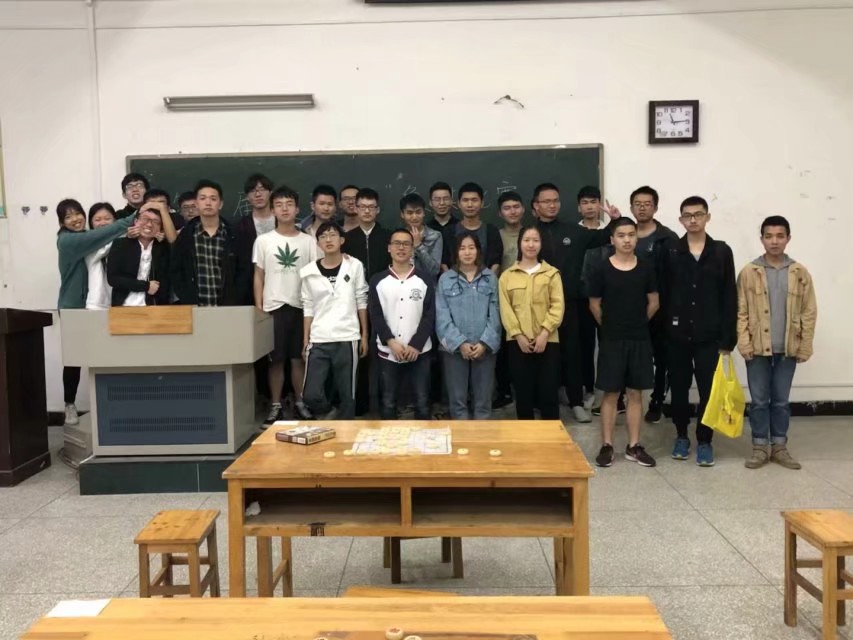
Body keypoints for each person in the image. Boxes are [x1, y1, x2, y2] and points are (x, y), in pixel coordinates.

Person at [660, 195, 737, 467]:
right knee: (679, 389)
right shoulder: (670, 251)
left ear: (707, 217)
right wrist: (664, 332)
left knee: (708, 391)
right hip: (677, 335)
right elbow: (663, 293)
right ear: (681, 219)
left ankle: (705, 440)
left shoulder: (721, 251)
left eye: (698, 214)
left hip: (709, 335)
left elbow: (729, 295)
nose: (693, 220)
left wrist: (728, 337)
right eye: (688, 215)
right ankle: (681, 436)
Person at [532, 183, 619, 423]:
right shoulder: (530, 233)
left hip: (569, 303)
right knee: (542, 354)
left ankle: (576, 402)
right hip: (539, 306)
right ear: (536, 205)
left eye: (555, 200)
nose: (552, 205)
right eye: (546, 201)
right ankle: (543, 402)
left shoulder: (573, 230)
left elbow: (602, 237)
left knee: (573, 353)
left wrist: (614, 220)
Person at [737, 216, 817, 470]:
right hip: (757, 347)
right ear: (761, 239)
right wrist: (744, 342)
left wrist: (805, 344)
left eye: (780, 236)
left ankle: (780, 447)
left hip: (788, 347)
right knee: (759, 400)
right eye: (769, 236)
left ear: (788, 239)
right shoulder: (749, 272)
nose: (774, 241)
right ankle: (760, 447)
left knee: (781, 400)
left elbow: (809, 311)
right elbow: (740, 311)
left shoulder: (799, 272)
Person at [56, 198, 137, 425]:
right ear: (62, 223)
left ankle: (113, 406)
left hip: (110, 306)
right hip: (75, 307)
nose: (75, 219)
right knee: (74, 358)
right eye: (68, 216)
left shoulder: (109, 241)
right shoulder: (70, 241)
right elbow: (102, 236)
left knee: (109, 355)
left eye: (77, 213)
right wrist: (129, 221)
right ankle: (69, 404)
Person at [587, 218, 659, 468]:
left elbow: (654, 302)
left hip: (639, 338)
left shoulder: (646, 267)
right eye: (621, 235)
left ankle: (634, 445)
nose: (627, 240)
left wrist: (638, 323)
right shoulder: (601, 268)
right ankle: (607, 445)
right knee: (611, 393)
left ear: (636, 238)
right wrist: (609, 327)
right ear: (612, 239)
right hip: (612, 339)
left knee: (635, 393)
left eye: (631, 235)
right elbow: (594, 305)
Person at [253, 185, 318, 426]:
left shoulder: (308, 241)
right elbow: (258, 275)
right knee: (276, 360)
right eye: (279, 205)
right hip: (273, 307)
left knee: (299, 358)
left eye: (289, 204)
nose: (284, 209)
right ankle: (275, 405)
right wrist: (259, 307)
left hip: (301, 307)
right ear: (272, 210)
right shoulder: (263, 241)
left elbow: (315, 275)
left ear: (297, 209)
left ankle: (300, 402)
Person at [300, 222, 369, 419]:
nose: (328, 240)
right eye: (323, 236)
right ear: (318, 243)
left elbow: (361, 300)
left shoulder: (354, 266)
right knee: (310, 394)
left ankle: (347, 432)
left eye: (332, 235)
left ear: (342, 240)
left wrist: (364, 335)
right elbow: (308, 306)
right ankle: (329, 412)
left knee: (348, 395)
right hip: (319, 338)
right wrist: (306, 340)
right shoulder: (308, 272)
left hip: (347, 337)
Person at [369, 229, 436, 421]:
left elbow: (429, 315)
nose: (401, 248)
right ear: (389, 248)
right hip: (388, 350)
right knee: (388, 401)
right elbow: (375, 315)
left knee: (422, 401)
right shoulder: (378, 280)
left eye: (406, 244)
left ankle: (424, 438)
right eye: (396, 243)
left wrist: (416, 345)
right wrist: (391, 342)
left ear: (412, 248)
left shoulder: (424, 279)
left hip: (420, 351)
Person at [498, 225, 564, 420]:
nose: (531, 245)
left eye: (535, 240)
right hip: (518, 343)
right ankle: (526, 437)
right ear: (520, 243)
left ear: (542, 244)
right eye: (526, 240)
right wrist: (518, 335)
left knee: (549, 393)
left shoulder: (552, 274)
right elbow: (506, 309)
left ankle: (551, 436)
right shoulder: (507, 276)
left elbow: (557, 306)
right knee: (523, 394)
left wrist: (544, 333)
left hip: (548, 341)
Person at [628, 186, 679, 423]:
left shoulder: (667, 238)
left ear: (655, 208)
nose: (642, 208)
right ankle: (625, 399)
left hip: (660, 309)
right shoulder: (625, 234)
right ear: (631, 208)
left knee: (661, 358)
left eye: (647, 204)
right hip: (630, 308)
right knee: (629, 356)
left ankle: (657, 400)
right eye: (638, 204)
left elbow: (676, 277)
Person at [436, 232, 501, 419]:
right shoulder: (445, 279)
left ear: (478, 251)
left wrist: (484, 343)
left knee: (483, 403)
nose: (467, 252)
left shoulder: (490, 277)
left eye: (471, 248)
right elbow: (442, 315)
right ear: (456, 252)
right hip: (455, 350)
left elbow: (496, 313)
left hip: (484, 348)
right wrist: (460, 343)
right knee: (457, 403)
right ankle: (461, 436)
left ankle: (480, 437)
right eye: (462, 248)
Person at [171, 179, 251, 306]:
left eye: (213, 199)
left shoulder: (234, 235)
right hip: (194, 308)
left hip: (229, 308)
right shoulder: (186, 236)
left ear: (220, 204)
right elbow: (176, 272)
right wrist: (187, 299)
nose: (208, 203)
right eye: (203, 198)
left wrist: (234, 299)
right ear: (196, 203)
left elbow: (244, 272)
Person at [494, 191, 525, 409]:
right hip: (503, 299)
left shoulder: (532, 234)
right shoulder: (496, 236)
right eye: (507, 208)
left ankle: (527, 393)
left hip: (529, 299)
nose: (512, 211)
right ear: (500, 213)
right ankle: (504, 391)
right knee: (504, 348)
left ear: (523, 209)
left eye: (516, 206)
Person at [107, 207, 171, 306]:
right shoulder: (121, 244)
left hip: (154, 306)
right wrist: (145, 286)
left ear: (160, 228)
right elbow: (113, 279)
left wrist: (165, 239)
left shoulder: (164, 248)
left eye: (156, 222)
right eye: (145, 219)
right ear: (136, 221)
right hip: (124, 305)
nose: (149, 224)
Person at [440, 182, 502, 273]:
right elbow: (444, 263)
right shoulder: (449, 231)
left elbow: (496, 263)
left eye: (474, 200)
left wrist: (488, 280)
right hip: (454, 280)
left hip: (486, 280)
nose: (470, 205)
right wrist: (451, 280)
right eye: (465, 200)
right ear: (459, 204)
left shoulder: (491, 231)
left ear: (482, 203)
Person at [345, 187, 391, 281]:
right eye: (363, 207)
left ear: (377, 210)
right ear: (356, 209)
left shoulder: (389, 236)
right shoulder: (347, 238)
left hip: (384, 286)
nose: (367, 211)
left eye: (371, 207)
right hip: (355, 286)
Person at [400, 192, 442, 277]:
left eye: (418, 212)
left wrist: (419, 246)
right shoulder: (398, 237)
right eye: (410, 213)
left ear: (424, 213)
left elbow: (435, 271)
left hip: (427, 283)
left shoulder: (435, 236)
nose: (414, 217)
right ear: (402, 214)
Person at [84, 203, 117, 311]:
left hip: (120, 301)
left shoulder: (125, 240)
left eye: (107, 219)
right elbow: (103, 250)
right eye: (97, 220)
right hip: (96, 302)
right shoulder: (86, 242)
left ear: (115, 221)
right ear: (91, 223)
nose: (103, 223)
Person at [236, 173, 275, 243]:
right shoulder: (241, 227)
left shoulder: (283, 220)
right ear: (247, 197)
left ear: (270, 193)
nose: (258, 194)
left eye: (262, 189)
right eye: (252, 191)